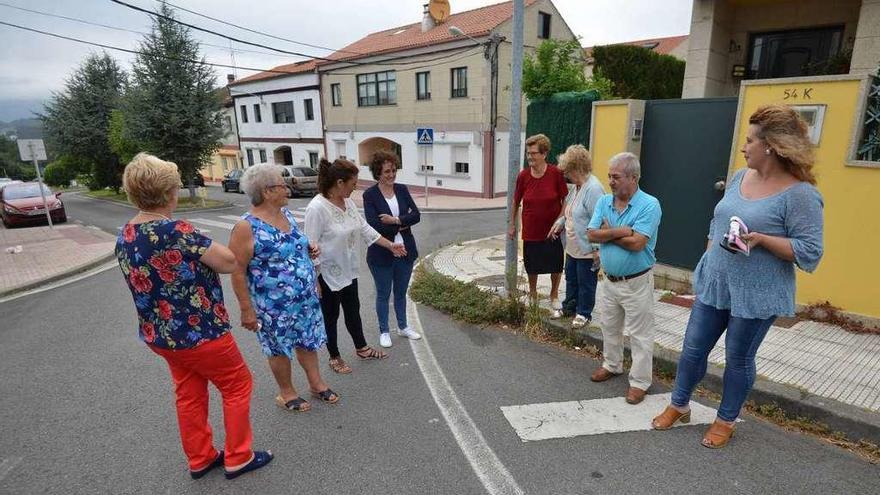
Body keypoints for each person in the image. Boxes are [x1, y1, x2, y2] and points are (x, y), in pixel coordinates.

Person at [652, 105, 824, 448]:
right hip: (717, 280)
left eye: (749, 141)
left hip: (757, 292)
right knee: (692, 349)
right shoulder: (737, 177)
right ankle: (679, 404)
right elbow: (719, 219)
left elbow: (810, 252)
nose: (744, 147)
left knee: (739, 358)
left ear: (770, 146)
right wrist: (708, 253)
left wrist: (763, 240)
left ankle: (725, 419)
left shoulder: (801, 194)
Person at [115, 153, 272, 480]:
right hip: (201, 333)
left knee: (189, 392)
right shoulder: (176, 230)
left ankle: (200, 457)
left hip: (162, 336)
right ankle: (238, 456)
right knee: (237, 384)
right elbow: (228, 262)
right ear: (169, 192)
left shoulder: (127, 234)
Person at [228, 164, 339, 412]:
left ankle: (316, 383)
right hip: (272, 306)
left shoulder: (286, 215)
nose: (287, 188)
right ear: (267, 192)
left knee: (307, 341)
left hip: (305, 298)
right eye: (282, 184)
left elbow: (295, 249)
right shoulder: (246, 227)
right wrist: (246, 309)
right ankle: (286, 392)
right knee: (278, 348)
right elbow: (237, 270)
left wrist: (310, 254)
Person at [305, 158, 407, 374]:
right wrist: (314, 279)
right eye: (353, 183)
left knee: (353, 310)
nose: (356, 187)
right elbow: (309, 245)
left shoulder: (348, 203)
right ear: (340, 182)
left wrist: (391, 245)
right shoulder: (317, 208)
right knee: (330, 317)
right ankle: (334, 356)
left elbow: (365, 229)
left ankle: (361, 348)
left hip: (348, 269)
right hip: (326, 274)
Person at [587, 152, 662, 406]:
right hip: (609, 280)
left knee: (640, 334)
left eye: (616, 176)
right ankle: (612, 364)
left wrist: (607, 232)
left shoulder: (650, 204)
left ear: (633, 177)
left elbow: (638, 243)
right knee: (609, 326)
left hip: (637, 282)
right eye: (609, 176)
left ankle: (640, 382)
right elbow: (591, 235)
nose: (611, 181)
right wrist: (620, 231)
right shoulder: (604, 202)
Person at [363, 151, 422, 348]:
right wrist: (403, 223)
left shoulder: (402, 189)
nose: (391, 175)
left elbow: (417, 215)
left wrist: (395, 220)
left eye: (394, 170)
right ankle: (384, 330)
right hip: (382, 252)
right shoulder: (369, 195)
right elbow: (374, 225)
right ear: (378, 173)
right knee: (383, 293)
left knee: (400, 292)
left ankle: (403, 327)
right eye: (387, 171)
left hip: (405, 250)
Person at [508, 134, 568, 315]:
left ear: (544, 154)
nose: (530, 157)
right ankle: (533, 293)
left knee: (555, 264)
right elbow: (515, 201)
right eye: (528, 153)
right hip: (531, 229)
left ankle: (554, 294)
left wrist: (560, 220)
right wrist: (512, 224)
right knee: (532, 264)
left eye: (533, 153)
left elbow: (565, 198)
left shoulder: (555, 173)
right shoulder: (523, 176)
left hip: (553, 230)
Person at [548, 144, 605, 328]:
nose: (566, 175)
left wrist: (596, 250)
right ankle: (569, 307)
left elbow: (600, 222)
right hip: (573, 247)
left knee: (586, 283)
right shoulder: (577, 187)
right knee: (571, 278)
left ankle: (584, 313)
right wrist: (559, 223)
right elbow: (570, 212)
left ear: (577, 168)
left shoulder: (593, 188)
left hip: (588, 249)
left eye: (568, 171)